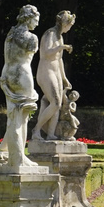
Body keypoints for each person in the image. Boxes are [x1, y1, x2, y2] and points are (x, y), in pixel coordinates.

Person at [0, 5, 41, 169]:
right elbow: (29, 57)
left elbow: (7, 57)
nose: (36, 24)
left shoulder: (11, 33)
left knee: (14, 116)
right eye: (35, 20)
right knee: (21, 118)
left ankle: (6, 150)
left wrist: (3, 78)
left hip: (7, 74)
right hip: (22, 75)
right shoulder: (32, 38)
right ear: (29, 18)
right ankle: (19, 157)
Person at [32, 10, 75, 140]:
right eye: (70, 24)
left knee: (57, 104)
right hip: (46, 71)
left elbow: (59, 60)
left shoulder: (59, 36)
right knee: (55, 103)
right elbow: (47, 52)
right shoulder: (50, 34)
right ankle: (36, 130)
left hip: (55, 71)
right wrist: (62, 47)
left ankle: (50, 134)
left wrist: (64, 77)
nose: (70, 27)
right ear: (65, 23)